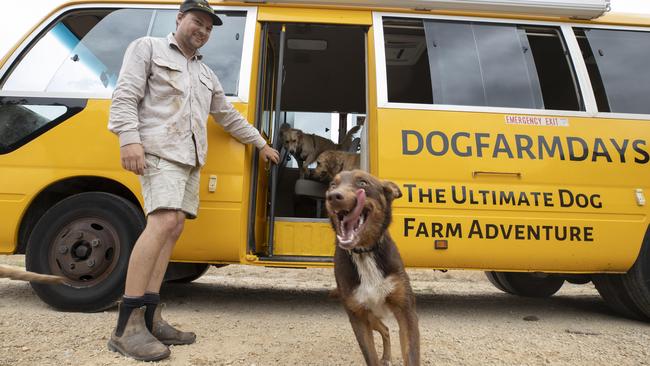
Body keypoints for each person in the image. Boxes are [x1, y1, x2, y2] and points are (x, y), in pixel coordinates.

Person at [107, 0, 279, 361]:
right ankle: (128, 326)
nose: (202, 30)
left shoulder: (206, 74)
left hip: (189, 160)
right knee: (162, 222)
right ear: (180, 19)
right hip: (158, 151)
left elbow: (227, 116)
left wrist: (261, 143)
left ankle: (151, 316)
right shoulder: (147, 48)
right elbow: (125, 96)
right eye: (197, 22)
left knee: (174, 227)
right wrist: (129, 139)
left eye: (208, 27)